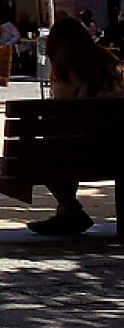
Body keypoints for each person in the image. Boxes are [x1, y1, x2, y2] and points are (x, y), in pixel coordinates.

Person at [28, 16, 124, 236]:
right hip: (120, 149)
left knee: (48, 153)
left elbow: (60, 115)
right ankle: (67, 211)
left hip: (85, 153)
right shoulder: (111, 63)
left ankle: (69, 209)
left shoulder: (67, 69)